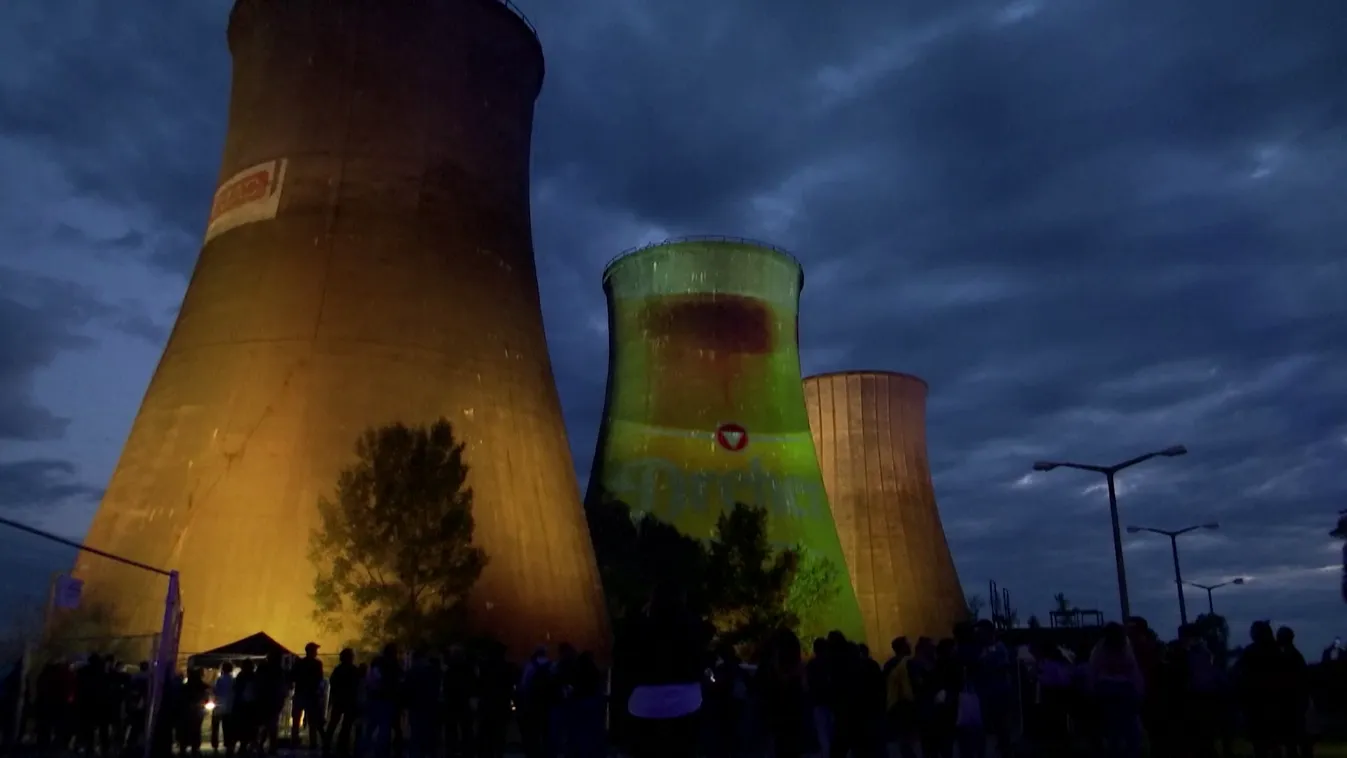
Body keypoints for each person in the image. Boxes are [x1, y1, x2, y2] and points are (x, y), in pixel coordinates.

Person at [617, 581, 712, 758]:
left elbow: (624, 658)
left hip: (645, 701)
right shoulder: (692, 626)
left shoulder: (640, 626)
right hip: (686, 699)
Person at [291, 643, 327, 752]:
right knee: (312, 722)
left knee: (296, 720)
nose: (316, 652)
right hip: (311, 695)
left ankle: (295, 741)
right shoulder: (317, 664)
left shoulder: (299, 663)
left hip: (301, 694)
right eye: (315, 650)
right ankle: (313, 743)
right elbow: (319, 679)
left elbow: (293, 676)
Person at [325, 648, 360, 757]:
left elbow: (333, 683)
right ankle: (342, 746)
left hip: (339, 700)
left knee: (334, 724)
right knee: (346, 725)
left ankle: (327, 744)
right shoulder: (353, 670)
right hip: (348, 701)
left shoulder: (338, 670)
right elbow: (357, 686)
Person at [212, 662, 236, 755]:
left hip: (218, 706)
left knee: (215, 727)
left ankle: (215, 745)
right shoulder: (233, 680)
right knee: (227, 728)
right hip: (229, 707)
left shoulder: (219, 679)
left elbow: (215, 691)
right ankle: (228, 745)